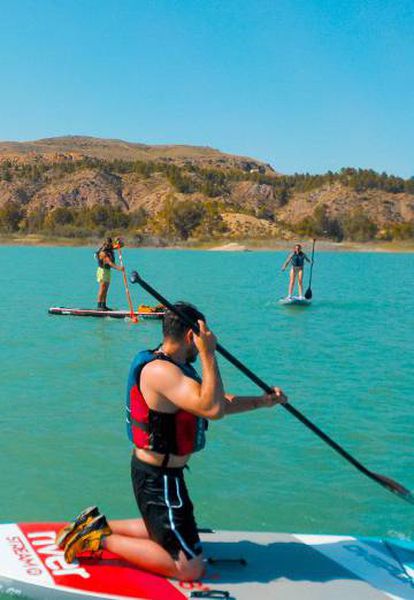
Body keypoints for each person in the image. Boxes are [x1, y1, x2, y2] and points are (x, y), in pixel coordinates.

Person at [57, 302, 288, 581]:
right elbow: (212, 410)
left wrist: (261, 402)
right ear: (192, 336)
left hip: (166, 477)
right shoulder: (161, 372)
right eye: (202, 336)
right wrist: (209, 354)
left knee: (165, 530)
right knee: (189, 567)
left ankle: (94, 524)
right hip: (158, 479)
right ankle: (97, 539)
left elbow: (214, 402)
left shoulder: (176, 368)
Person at [96, 237, 124, 310]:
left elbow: (121, 245)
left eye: (110, 244)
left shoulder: (110, 248)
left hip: (108, 271)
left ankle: (104, 305)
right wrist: (119, 268)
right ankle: (99, 306)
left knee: (106, 289)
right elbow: (110, 263)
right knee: (102, 288)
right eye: (108, 244)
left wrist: (118, 241)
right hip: (102, 271)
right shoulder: (103, 252)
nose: (109, 246)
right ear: (105, 244)